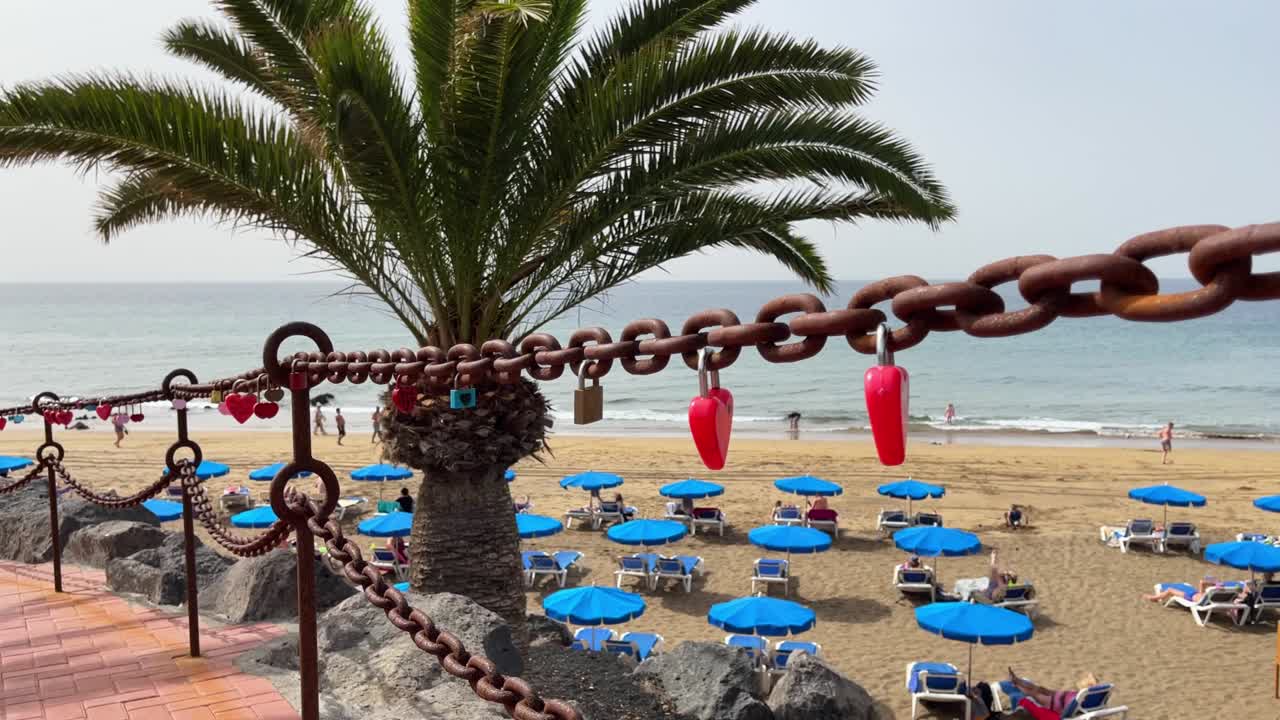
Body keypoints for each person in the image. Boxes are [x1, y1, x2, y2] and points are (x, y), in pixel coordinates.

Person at [1006, 670, 1098, 717]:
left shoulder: (1084, 695)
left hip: (1057, 703)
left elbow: (1067, 709)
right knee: (1037, 689)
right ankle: (1016, 680)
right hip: (1060, 697)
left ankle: (1016, 682)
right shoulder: (1089, 695)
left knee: (1034, 692)